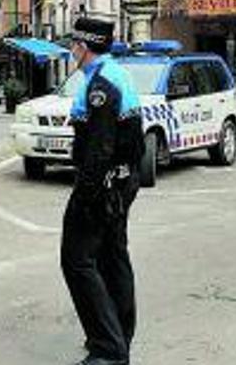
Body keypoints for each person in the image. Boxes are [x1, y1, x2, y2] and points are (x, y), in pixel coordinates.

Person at [62, 20, 145, 365]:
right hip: (121, 181)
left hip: (104, 185)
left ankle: (109, 349)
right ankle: (119, 335)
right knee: (112, 258)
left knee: (77, 261)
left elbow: (99, 148)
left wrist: (84, 196)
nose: (71, 52)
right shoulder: (114, 72)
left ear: (83, 47)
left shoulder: (101, 85)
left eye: (73, 46)